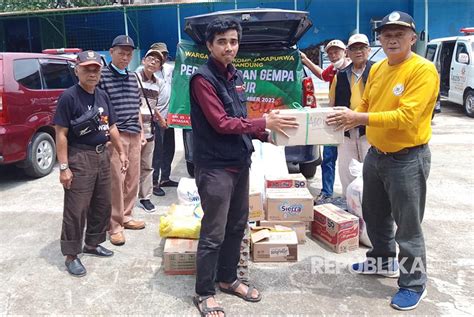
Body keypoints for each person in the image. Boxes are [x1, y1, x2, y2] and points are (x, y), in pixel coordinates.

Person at [327, 11, 439, 311]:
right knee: (374, 215)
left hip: (407, 159)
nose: (391, 39)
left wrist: (358, 117)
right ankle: (381, 261)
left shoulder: (422, 71)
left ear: (412, 38)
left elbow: (407, 117)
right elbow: (365, 102)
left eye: (399, 34)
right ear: (379, 38)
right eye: (386, 34)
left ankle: (414, 283)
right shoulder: (378, 71)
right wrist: (345, 118)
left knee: (408, 226)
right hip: (377, 155)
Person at [189, 17, 298, 317]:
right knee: (214, 232)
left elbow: (239, 117)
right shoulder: (202, 79)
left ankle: (228, 279)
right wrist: (264, 121)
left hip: (239, 163)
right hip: (215, 167)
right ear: (210, 45)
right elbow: (221, 123)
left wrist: (267, 134)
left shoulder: (236, 76)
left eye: (233, 41)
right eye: (222, 41)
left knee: (237, 226)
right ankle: (204, 292)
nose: (229, 47)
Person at [54, 50, 128, 277]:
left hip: (102, 155)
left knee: (102, 203)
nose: (92, 73)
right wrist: (64, 168)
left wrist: (121, 152)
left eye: (96, 69)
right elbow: (61, 134)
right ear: (77, 70)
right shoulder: (69, 97)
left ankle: (93, 243)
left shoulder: (102, 96)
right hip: (80, 157)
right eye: (87, 68)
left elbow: (112, 126)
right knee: (76, 207)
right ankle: (71, 254)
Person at [99, 35, 146, 246]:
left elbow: (137, 107)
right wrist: (109, 137)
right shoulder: (102, 77)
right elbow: (101, 111)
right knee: (116, 182)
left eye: (129, 54)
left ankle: (127, 216)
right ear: (111, 52)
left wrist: (142, 131)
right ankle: (115, 225)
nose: (125, 57)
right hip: (114, 136)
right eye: (121, 53)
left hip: (134, 134)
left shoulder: (132, 77)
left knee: (132, 179)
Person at [301, 40, 350, 203]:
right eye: (330, 52)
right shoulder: (334, 70)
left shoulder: (355, 69)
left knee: (352, 162)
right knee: (328, 157)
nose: (333, 55)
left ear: (345, 52)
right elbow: (322, 75)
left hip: (353, 121)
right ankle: (327, 192)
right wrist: (306, 61)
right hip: (334, 119)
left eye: (337, 51)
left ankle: (351, 195)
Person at [328, 34, 373, 196]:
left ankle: (372, 208)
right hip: (346, 130)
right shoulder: (340, 75)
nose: (358, 51)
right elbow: (332, 103)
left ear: (369, 50)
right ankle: (351, 205)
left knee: (372, 171)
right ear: (348, 52)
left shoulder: (378, 71)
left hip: (370, 129)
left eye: (362, 48)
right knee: (347, 171)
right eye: (354, 48)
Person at [135, 49, 167, 213]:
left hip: (150, 131)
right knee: (130, 168)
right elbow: (134, 108)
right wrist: (140, 132)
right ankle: (125, 201)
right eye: (151, 58)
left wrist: (160, 119)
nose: (154, 62)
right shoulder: (133, 79)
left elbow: (151, 106)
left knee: (147, 166)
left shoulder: (158, 83)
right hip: (133, 132)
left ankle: (145, 198)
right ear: (143, 61)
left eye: (158, 61)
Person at [149, 42, 179, 197]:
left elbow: (185, 69)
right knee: (157, 152)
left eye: (165, 54)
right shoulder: (145, 71)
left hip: (169, 117)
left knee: (169, 148)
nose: (163, 57)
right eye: (159, 54)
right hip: (155, 118)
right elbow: (144, 100)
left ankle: (165, 178)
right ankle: (153, 183)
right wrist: (159, 117)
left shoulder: (168, 68)